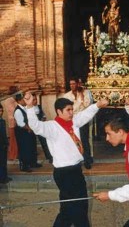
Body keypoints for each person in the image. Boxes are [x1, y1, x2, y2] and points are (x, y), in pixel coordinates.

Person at [23, 92, 108, 227]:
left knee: (75, 208)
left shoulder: (74, 122)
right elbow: (35, 126)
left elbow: (86, 114)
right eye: (68, 110)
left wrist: (97, 105)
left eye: (72, 110)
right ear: (58, 111)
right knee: (74, 209)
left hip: (76, 170)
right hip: (64, 173)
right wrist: (29, 107)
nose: (71, 113)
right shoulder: (51, 127)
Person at [64, 77, 94, 169]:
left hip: (82, 119)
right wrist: (77, 106)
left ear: (78, 84)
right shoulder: (67, 96)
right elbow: (69, 108)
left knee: (84, 139)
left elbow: (87, 105)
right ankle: (76, 159)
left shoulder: (85, 93)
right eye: (70, 84)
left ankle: (87, 160)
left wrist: (81, 96)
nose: (72, 86)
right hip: (71, 119)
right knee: (74, 139)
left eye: (74, 84)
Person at [14, 93, 41, 172]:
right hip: (23, 132)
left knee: (32, 147)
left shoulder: (25, 108)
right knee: (24, 149)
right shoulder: (18, 110)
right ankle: (24, 166)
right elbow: (21, 123)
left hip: (29, 131)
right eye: (23, 99)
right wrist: (29, 128)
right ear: (19, 100)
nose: (25, 100)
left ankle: (33, 163)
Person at [32, 94, 53, 163]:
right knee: (33, 143)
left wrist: (43, 118)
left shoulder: (39, 106)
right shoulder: (29, 109)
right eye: (34, 100)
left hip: (41, 125)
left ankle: (49, 156)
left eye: (36, 99)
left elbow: (43, 114)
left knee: (44, 141)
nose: (35, 101)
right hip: (33, 127)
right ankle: (34, 159)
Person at [2, 86, 19, 160]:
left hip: (15, 121)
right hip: (13, 122)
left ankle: (16, 154)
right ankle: (13, 155)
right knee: (13, 139)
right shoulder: (9, 100)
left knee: (16, 139)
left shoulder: (13, 100)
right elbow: (13, 110)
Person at [0, 104, 12, 184]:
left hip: (3, 145)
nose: (0, 112)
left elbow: (4, 134)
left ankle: (4, 177)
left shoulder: (2, 121)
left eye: (1, 111)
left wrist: (7, 143)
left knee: (4, 162)